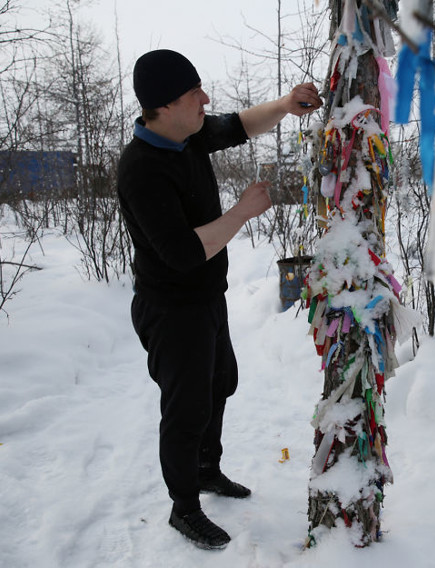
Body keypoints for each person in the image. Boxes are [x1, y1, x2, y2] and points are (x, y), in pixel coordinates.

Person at [117, 49, 321, 551]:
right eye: (194, 94)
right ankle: (183, 506)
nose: (205, 99)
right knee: (185, 409)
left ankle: (207, 471)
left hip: (207, 298)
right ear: (163, 107)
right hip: (170, 308)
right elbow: (185, 253)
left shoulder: (187, 134)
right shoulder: (142, 169)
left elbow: (237, 126)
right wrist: (242, 212)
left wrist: (287, 104)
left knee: (218, 385)